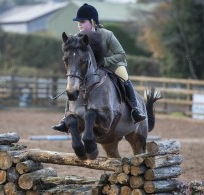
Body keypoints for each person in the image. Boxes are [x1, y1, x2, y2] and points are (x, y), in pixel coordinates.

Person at [52, 3, 146, 132]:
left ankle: (135, 109)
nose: (79, 24)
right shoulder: (77, 38)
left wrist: (105, 62)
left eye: (82, 21)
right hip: (91, 69)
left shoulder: (107, 34)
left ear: (92, 22)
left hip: (112, 65)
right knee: (73, 84)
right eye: (78, 22)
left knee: (124, 78)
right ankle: (66, 116)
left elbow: (121, 54)